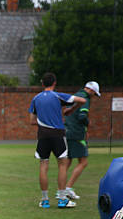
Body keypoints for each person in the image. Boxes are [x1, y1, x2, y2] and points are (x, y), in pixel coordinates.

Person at [28, 72, 86, 209]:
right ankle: (61, 199)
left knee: (43, 165)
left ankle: (45, 200)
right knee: (62, 165)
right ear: (54, 83)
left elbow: (31, 121)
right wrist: (71, 110)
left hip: (42, 135)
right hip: (58, 134)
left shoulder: (35, 99)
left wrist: (43, 123)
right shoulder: (59, 96)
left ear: (42, 84)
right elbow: (82, 100)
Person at [63, 81, 100, 200]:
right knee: (83, 162)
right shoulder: (85, 98)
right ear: (92, 91)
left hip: (67, 130)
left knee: (67, 162)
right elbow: (82, 116)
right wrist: (89, 124)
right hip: (77, 134)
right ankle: (67, 188)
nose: (94, 97)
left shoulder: (75, 95)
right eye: (94, 94)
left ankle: (62, 190)